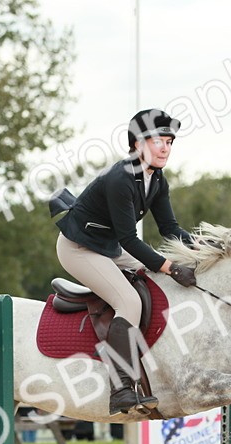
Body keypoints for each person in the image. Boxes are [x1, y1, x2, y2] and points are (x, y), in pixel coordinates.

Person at [54, 108, 199, 415]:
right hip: (79, 248)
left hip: (108, 245)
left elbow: (169, 228)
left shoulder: (157, 179)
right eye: (158, 141)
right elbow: (130, 240)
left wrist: (202, 248)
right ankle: (120, 389)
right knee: (129, 302)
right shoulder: (120, 178)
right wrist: (171, 268)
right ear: (137, 144)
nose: (165, 148)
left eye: (169, 142)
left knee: (156, 281)